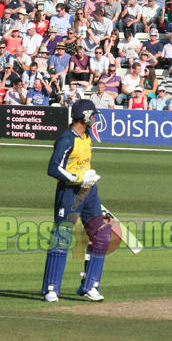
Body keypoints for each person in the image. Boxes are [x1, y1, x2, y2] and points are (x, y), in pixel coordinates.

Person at [42, 99, 109, 303]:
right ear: (85, 116)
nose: (95, 118)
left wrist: (88, 176)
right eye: (93, 115)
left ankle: (90, 285)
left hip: (89, 191)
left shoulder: (87, 135)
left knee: (100, 235)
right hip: (70, 193)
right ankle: (51, 289)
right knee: (62, 237)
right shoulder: (65, 139)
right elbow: (53, 168)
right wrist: (77, 178)